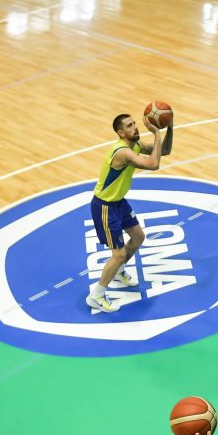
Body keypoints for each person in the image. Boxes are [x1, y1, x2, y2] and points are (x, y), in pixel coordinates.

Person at [87, 112, 173, 312]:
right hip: (105, 206)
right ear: (120, 132)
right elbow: (153, 164)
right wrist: (157, 133)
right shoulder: (122, 152)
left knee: (138, 237)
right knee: (118, 254)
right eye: (129, 125)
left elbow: (164, 151)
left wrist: (169, 126)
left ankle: (119, 271)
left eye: (134, 123)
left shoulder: (136, 145)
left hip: (119, 203)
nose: (135, 127)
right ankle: (96, 295)